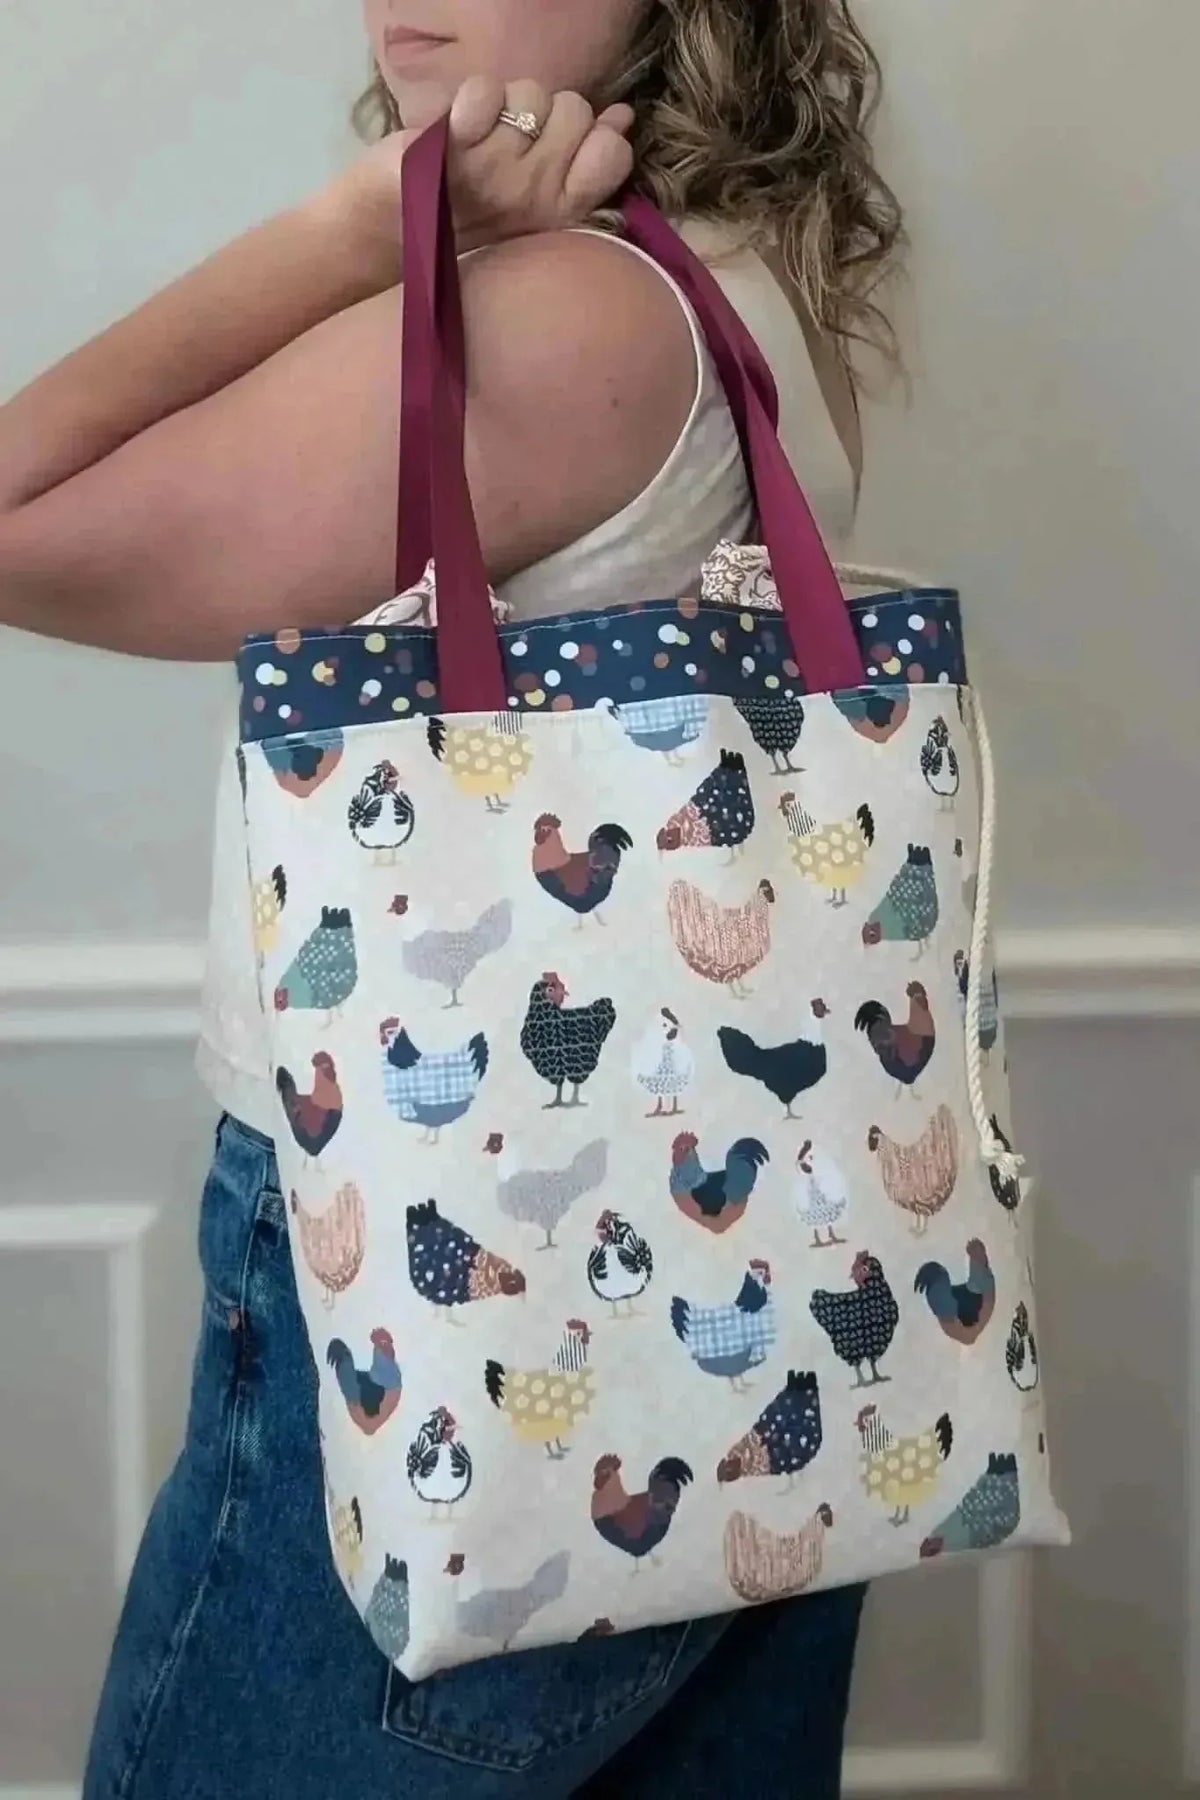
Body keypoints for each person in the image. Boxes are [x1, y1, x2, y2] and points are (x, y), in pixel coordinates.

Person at [0, 3, 904, 1795]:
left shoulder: (572, 316)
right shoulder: (733, 280)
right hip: (781, 1290)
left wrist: (352, 228)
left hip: (451, 1304)